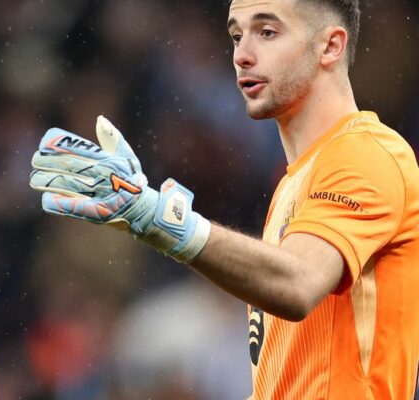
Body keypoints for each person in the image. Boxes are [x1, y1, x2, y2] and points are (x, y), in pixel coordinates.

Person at [29, 0, 419, 398]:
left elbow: (298, 283)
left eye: (267, 32)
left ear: (330, 46)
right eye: (236, 35)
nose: (242, 55)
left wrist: (161, 220)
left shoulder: (366, 153)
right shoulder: (292, 187)